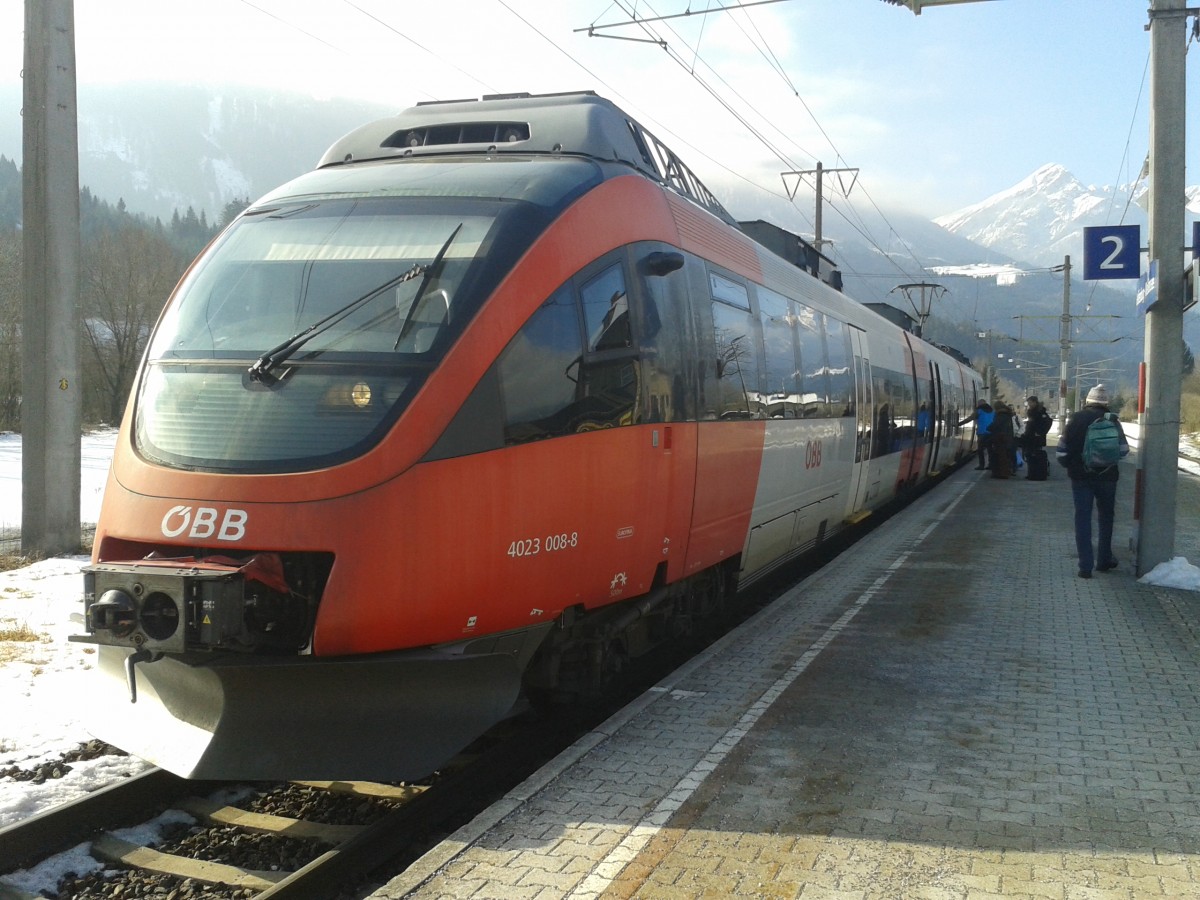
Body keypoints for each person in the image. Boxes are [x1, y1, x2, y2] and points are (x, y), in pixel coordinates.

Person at [1055, 384, 1129, 578]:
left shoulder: (1076, 419)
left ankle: (1085, 566)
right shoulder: (1113, 421)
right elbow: (1123, 450)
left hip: (1081, 478)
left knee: (1083, 519)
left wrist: (1072, 465)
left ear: (1087, 401)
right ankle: (1104, 560)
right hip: (1108, 478)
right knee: (1106, 517)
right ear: (1106, 403)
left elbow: (1061, 452)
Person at [1021, 395, 1053, 479]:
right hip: (1030, 436)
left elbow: (1048, 422)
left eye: (1030, 403)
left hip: (1036, 438)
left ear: (1035, 402)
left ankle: (1035, 473)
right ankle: (1032, 473)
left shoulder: (1040, 412)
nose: (1029, 404)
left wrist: (1040, 432)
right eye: (1028, 403)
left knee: (1034, 455)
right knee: (1029, 455)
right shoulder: (1033, 412)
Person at [960, 400, 995, 470]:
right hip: (991, 432)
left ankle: (981, 465)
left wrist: (959, 424)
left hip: (982, 433)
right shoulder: (993, 411)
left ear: (979, 404)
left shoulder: (979, 411)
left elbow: (969, 419)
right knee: (990, 449)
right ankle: (991, 464)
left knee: (980, 450)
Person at [990, 401, 1015, 478]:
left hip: (1000, 438)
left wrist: (989, 428)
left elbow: (996, 425)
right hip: (1007, 438)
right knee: (1005, 457)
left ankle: (1002, 473)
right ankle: (1005, 472)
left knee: (1001, 457)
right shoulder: (1007, 415)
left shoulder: (1000, 415)